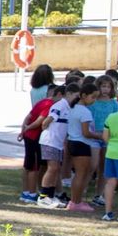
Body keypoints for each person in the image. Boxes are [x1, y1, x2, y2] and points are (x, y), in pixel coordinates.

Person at [36, 80, 80, 208]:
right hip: (50, 141)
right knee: (52, 168)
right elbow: (46, 121)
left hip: (58, 143)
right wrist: (48, 131)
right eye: (76, 95)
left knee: (56, 170)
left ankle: (50, 195)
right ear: (69, 93)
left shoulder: (68, 107)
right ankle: (43, 197)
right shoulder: (59, 105)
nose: (77, 99)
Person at [17, 83, 60, 203]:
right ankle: (31, 193)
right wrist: (28, 128)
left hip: (28, 136)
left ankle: (25, 192)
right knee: (33, 167)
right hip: (34, 137)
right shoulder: (49, 105)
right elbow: (40, 121)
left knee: (27, 165)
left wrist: (23, 130)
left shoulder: (41, 102)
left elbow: (28, 116)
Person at [64, 76, 100, 213]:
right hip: (81, 144)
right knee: (81, 174)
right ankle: (76, 202)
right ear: (83, 95)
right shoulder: (84, 111)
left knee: (79, 174)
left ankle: (75, 200)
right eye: (93, 97)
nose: (94, 100)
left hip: (74, 142)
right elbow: (86, 133)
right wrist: (99, 136)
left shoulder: (73, 109)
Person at [87, 70, 118, 206]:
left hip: (108, 138)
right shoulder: (93, 103)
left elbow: (116, 120)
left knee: (104, 167)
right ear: (98, 87)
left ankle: (98, 194)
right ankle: (82, 190)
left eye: (108, 86)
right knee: (92, 165)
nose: (105, 89)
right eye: (103, 86)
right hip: (94, 136)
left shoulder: (113, 104)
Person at [102, 87, 118, 222]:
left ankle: (108, 212)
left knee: (110, 183)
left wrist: (112, 144)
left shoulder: (111, 117)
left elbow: (105, 137)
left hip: (111, 152)